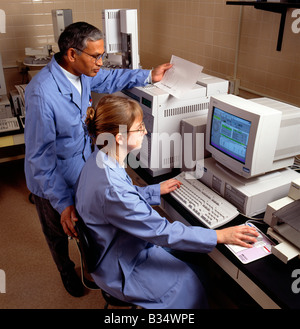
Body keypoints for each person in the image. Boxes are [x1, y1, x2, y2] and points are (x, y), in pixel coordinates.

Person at [24, 21, 172, 297]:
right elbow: (39, 160)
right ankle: (66, 270)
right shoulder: (42, 94)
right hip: (50, 180)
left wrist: (149, 75)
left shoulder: (83, 72)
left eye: (102, 55)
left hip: (80, 167)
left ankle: (92, 264)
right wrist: (63, 202)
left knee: (86, 227)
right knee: (58, 232)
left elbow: (111, 79)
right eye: (96, 56)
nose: (101, 62)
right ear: (72, 54)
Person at [75, 95, 259, 309]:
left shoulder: (100, 158)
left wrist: (154, 190)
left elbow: (118, 200)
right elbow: (162, 232)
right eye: (140, 127)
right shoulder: (112, 187)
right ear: (119, 138)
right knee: (189, 284)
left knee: (195, 263)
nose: (145, 132)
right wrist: (219, 235)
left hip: (114, 248)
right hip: (122, 266)